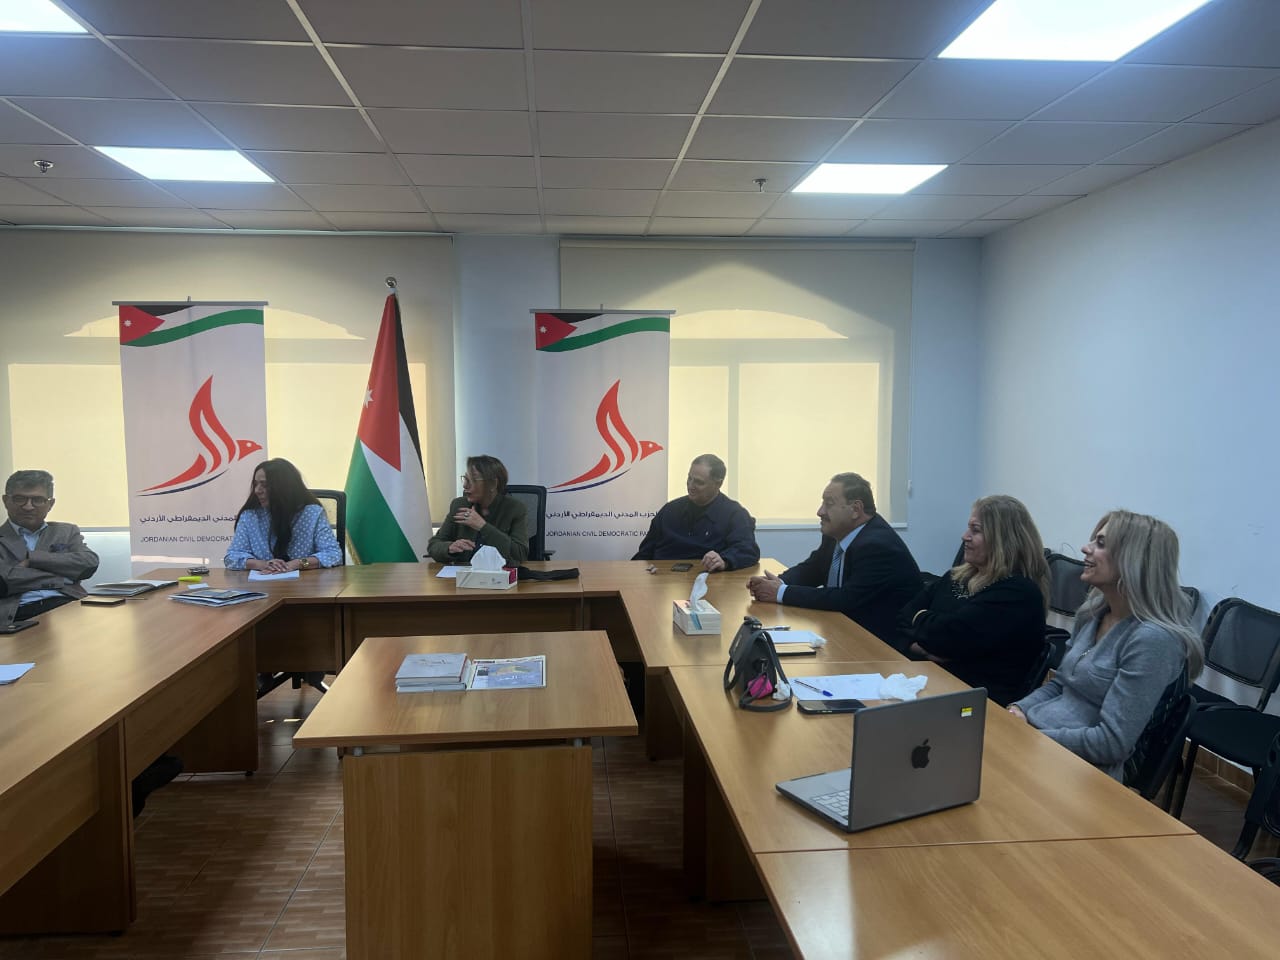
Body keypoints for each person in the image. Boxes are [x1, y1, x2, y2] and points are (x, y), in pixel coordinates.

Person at [1008, 510, 1203, 780]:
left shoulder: (1152, 640)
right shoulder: (1092, 614)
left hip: (1083, 771)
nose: (1085, 548)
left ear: (1132, 560)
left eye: (1100, 543)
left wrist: (1031, 737)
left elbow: (1111, 743)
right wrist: (1018, 710)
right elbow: (1060, 685)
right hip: (1041, 741)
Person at [895, 495, 1049, 706]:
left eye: (975, 530)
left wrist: (920, 619)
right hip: (931, 682)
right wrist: (924, 647)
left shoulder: (1017, 592)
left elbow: (948, 639)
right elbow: (902, 617)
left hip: (977, 702)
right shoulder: (956, 577)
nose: (964, 536)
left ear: (1002, 540)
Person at [746, 472, 918, 642]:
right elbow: (813, 569)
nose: (820, 512)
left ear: (855, 509)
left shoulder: (877, 545)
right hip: (844, 630)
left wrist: (781, 592)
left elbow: (846, 599)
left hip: (882, 642)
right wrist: (777, 583)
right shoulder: (836, 533)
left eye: (829, 504)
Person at [0, 469, 99, 624]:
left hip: (68, 605)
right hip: (18, 613)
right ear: (6, 501)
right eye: (20, 499)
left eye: (37, 500)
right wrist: (62, 578)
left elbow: (88, 563)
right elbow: (4, 582)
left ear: (50, 504)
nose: (28, 507)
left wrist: (32, 559)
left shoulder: (66, 531)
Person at [632, 454, 760, 572]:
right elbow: (644, 554)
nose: (690, 486)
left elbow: (748, 549)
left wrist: (725, 561)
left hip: (708, 582)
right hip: (662, 580)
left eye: (699, 482)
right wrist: (641, 571)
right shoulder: (669, 510)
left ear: (718, 483)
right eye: (689, 478)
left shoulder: (734, 514)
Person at [223, 459, 343, 571]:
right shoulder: (250, 516)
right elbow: (232, 557)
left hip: (304, 584)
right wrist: (263, 564)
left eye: (264, 485)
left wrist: (297, 564)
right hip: (263, 582)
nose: (257, 490)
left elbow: (334, 555)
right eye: (256, 484)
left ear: (284, 488)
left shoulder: (312, 514)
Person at [427, 455, 529, 565]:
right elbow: (433, 545)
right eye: (465, 479)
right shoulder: (459, 505)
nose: (465, 485)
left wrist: (483, 526)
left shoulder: (515, 509)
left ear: (493, 484)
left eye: (472, 480)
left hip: (500, 573)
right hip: (463, 573)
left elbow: (520, 554)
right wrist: (449, 547)